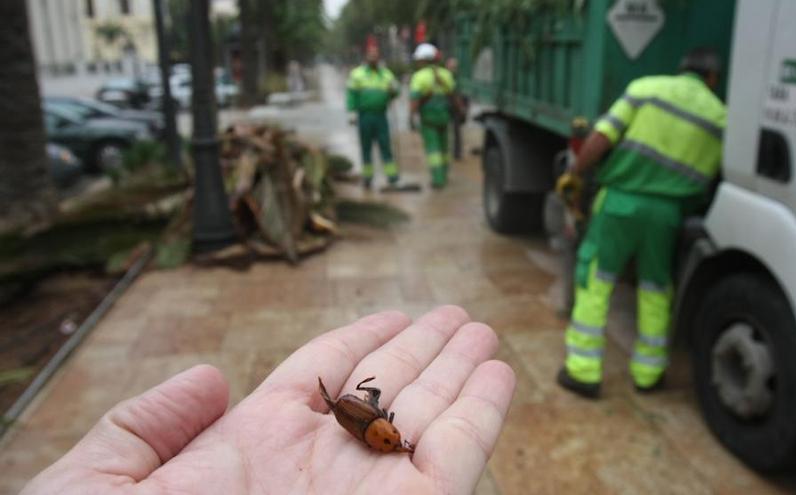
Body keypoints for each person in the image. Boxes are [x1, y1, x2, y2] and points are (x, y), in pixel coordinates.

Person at [21, 306, 516, 494]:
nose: (392, 435)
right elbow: (371, 422)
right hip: (356, 416)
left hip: (356, 417)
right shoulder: (370, 426)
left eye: (390, 437)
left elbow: (372, 424)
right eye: (391, 436)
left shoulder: (371, 430)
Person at [555, 48, 727, 398]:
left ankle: (583, 371)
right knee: (655, 287)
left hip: (620, 200)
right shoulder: (721, 117)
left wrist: (575, 172)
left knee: (597, 279)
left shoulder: (647, 88)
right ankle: (649, 374)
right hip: (668, 214)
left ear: (681, 68)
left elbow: (602, 138)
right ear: (713, 79)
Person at [347, 45, 400, 189]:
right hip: (364, 116)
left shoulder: (386, 74)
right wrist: (351, 112)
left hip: (381, 116)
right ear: (366, 57)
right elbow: (351, 94)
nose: (373, 58)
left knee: (385, 145)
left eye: (375, 55)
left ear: (379, 58)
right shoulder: (357, 74)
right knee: (366, 147)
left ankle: (392, 176)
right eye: (370, 55)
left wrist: (394, 89)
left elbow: (396, 92)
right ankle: (368, 177)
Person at [409, 43, 456, 189]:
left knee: (433, 149)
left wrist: (411, 117)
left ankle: (438, 179)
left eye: (418, 60)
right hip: (444, 116)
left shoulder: (418, 77)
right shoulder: (446, 74)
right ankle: (445, 174)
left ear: (423, 60)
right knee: (444, 148)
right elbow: (453, 95)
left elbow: (415, 101)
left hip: (428, 118)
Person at [445, 57, 469, 161]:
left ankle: (457, 153)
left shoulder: (461, 79)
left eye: (454, 67)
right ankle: (447, 152)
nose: (453, 69)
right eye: (451, 67)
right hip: (446, 107)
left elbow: (465, 95)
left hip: (457, 109)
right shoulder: (444, 77)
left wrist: (464, 109)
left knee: (457, 131)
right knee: (445, 130)